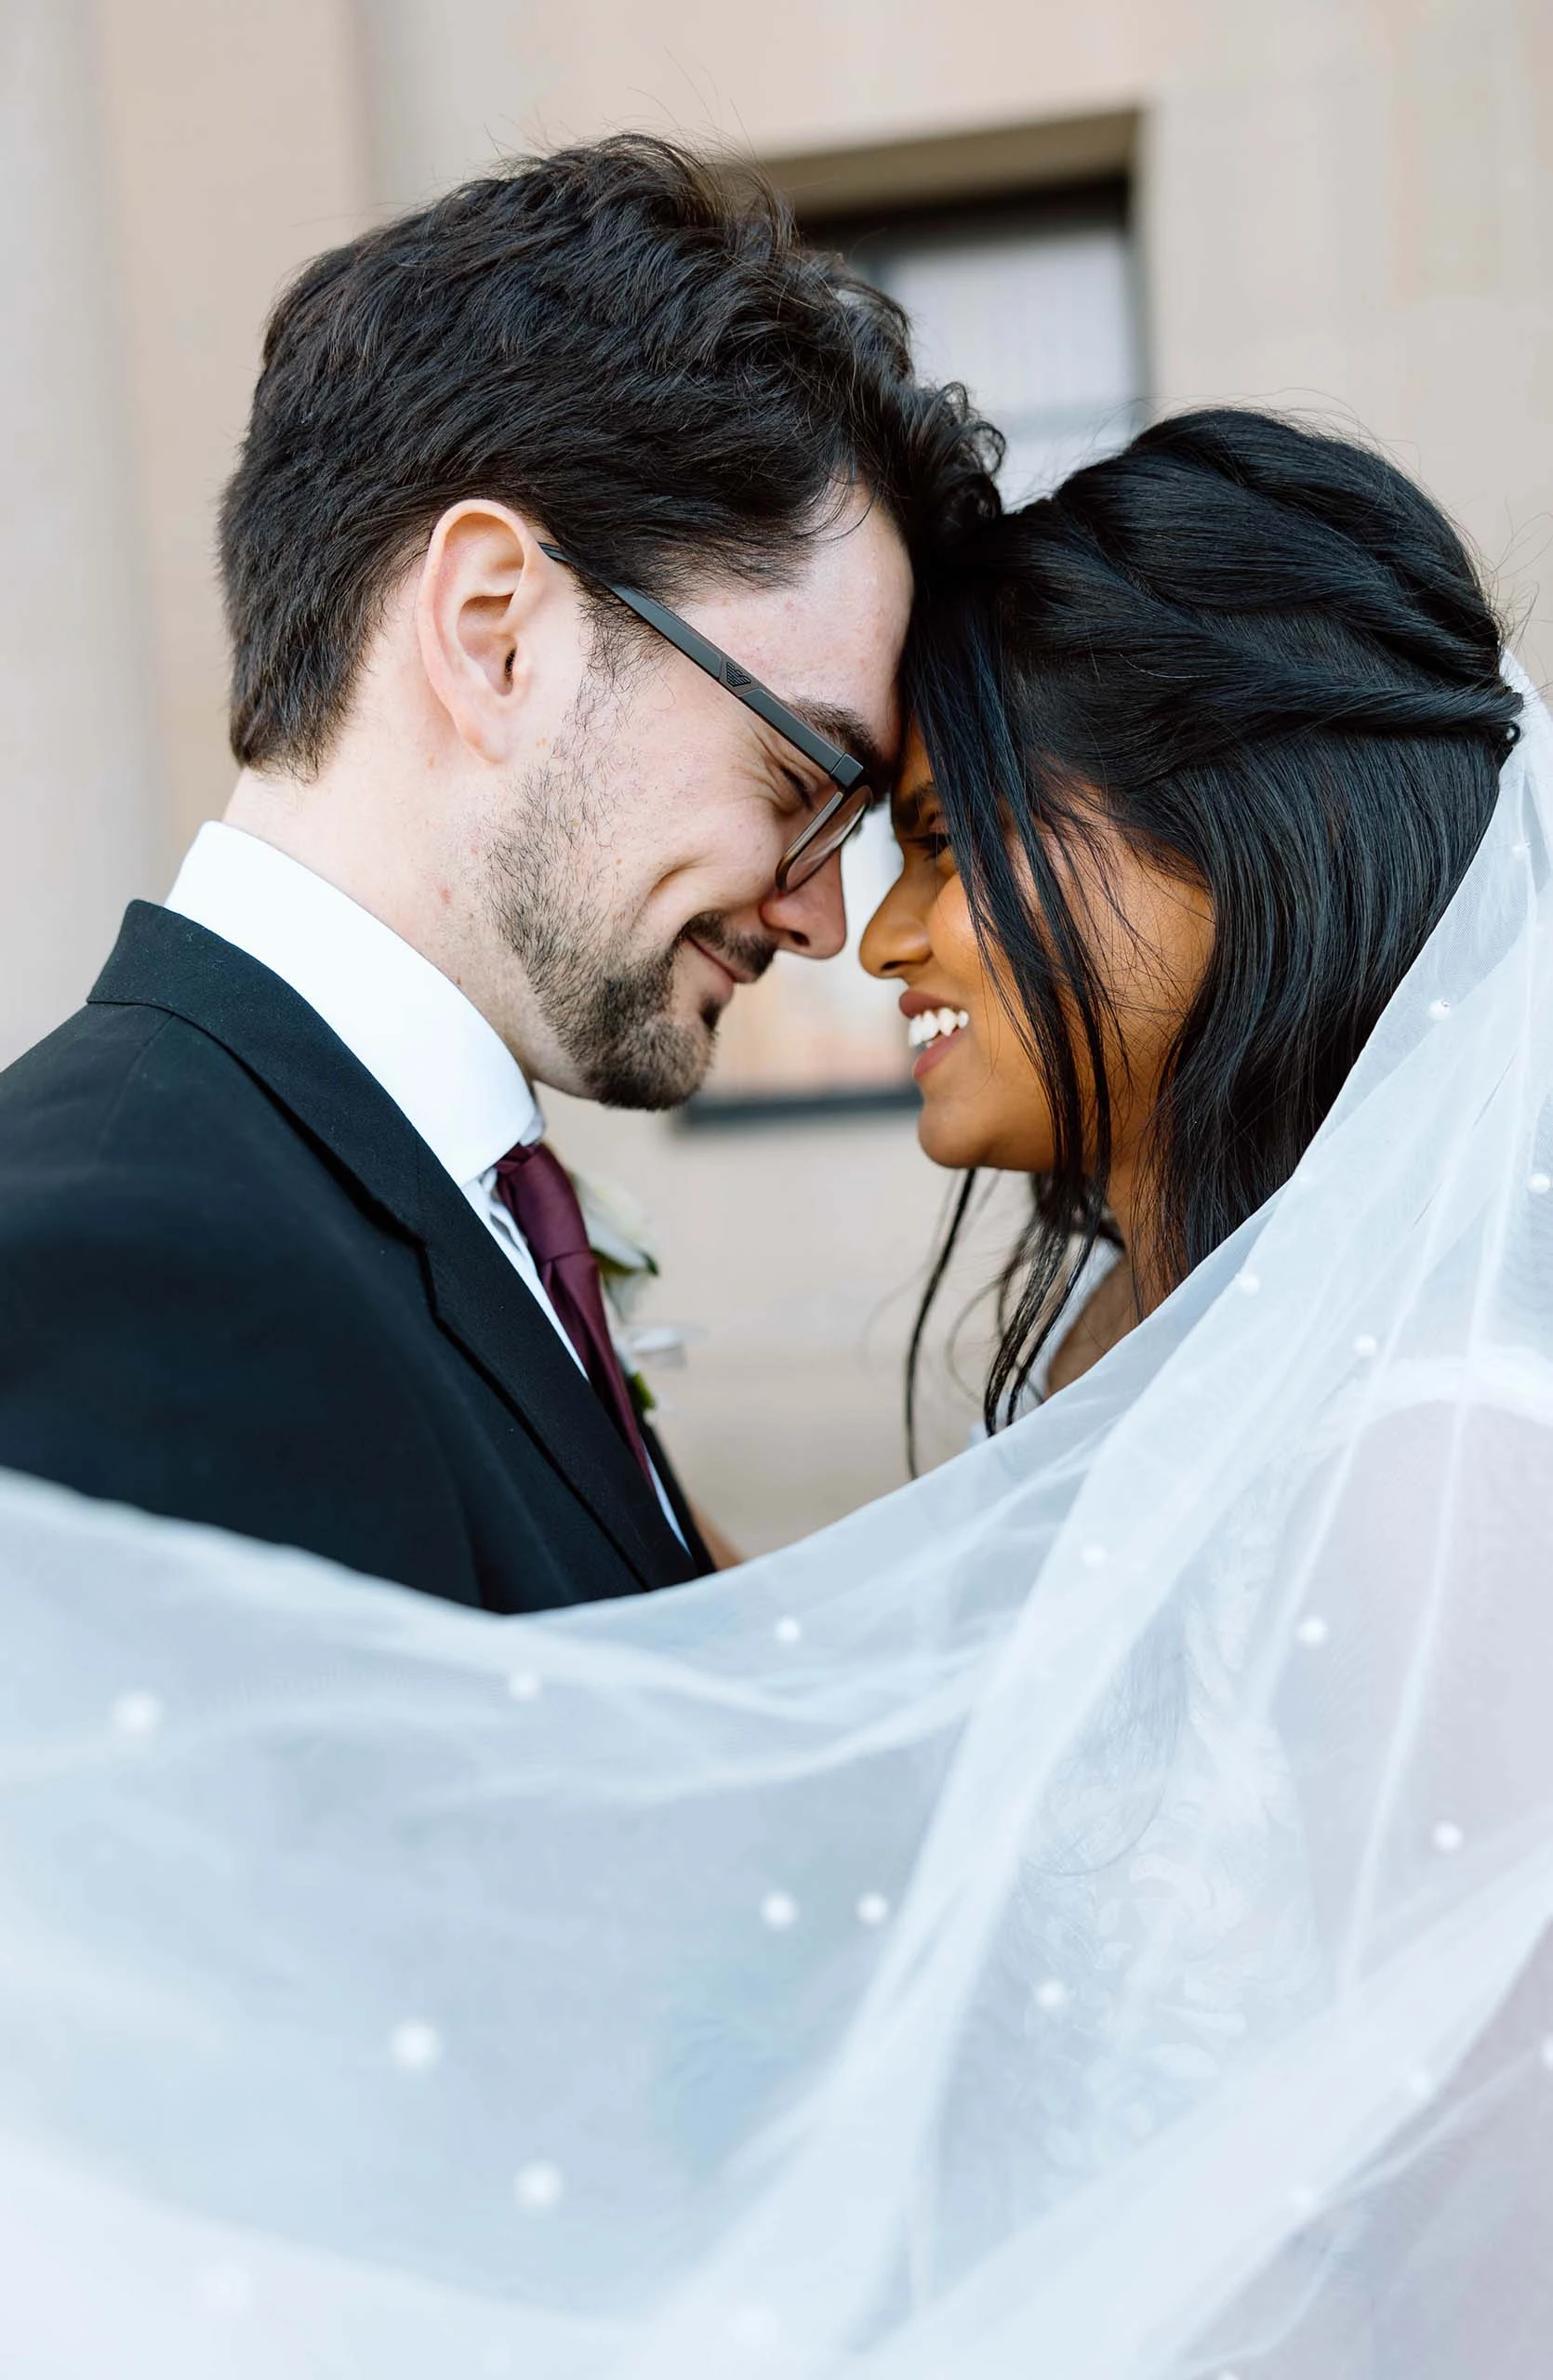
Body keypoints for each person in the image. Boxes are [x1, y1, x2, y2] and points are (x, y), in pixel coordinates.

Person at [0, 136, 996, 1615]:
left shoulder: (435, 1200)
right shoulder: (115, 1272)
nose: (824, 916)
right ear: (493, 630)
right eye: (799, 781)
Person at [863, 408, 1520, 1438]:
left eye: (944, 840)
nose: (876, 942)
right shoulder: (1108, 1337)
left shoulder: (1433, 1435)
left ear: (1230, 842)